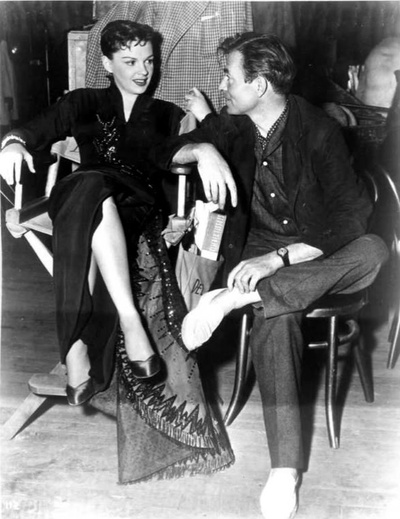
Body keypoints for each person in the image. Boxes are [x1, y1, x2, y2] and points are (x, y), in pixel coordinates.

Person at [156, 33, 389, 519]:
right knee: (278, 317)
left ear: (259, 85)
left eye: (229, 77)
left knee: (374, 250)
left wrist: (278, 262)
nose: (222, 86)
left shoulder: (319, 131)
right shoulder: (231, 125)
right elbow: (167, 154)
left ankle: (235, 298)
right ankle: (285, 470)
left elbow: (352, 218)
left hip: (314, 253)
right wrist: (203, 150)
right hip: (255, 251)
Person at [0, 20, 235, 483]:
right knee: (89, 186)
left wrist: (203, 142)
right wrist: (11, 144)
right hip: (81, 197)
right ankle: (129, 318)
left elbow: (187, 154)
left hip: (134, 208)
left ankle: (74, 347)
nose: (142, 70)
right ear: (107, 64)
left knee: (91, 195)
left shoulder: (166, 113)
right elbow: (33, 129)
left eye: (148, 61)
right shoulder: (82, 101)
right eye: (129, 61)